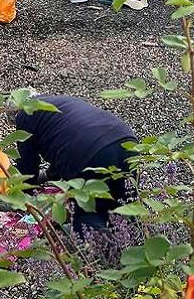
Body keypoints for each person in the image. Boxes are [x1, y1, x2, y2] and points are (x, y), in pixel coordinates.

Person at [12, 95, 137, 232]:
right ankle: (135, 244)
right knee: (126, 204)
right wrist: (48, 175)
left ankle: (97, 250)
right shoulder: (59, 102)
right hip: (127, 141)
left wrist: (22, 200)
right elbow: (65, 137)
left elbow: (27, 167)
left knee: (88, 211)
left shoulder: (24, 114)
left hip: (90, 152)